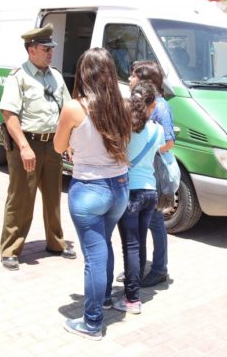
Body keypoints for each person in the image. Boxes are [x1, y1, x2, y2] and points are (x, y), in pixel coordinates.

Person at [54, 47, 131, 340]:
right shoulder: (122, 105)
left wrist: (75, 144)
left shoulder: (75, 108)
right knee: (104, 246)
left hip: (89, 189)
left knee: (95, 257)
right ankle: (106, 299)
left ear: (84, 73)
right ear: (110, 73)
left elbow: (59, 147)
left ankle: (92, 322)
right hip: (119, 187)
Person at [0, 24, 74, 271]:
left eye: (51, 48)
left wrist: (68, 141)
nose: (51, 52)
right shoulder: (18, 76)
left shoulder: (56, 76)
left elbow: (67, 110)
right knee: (21, 198)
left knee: (53, 196)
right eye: (45, 48)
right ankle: (10, 249)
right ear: (31, 50)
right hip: (27, 144)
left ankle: (55, 242)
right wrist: (23, 146)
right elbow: (9, 113)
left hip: (52, 144)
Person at [114, 82, 164, 315]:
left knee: (130, 246)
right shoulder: (158, 130)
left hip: (130, 191)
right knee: (140, 244)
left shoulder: (124, 128)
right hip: (150, 192)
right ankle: (135, 290)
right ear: (152, 105)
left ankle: (132, 298)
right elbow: (162, 150)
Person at [128, 60, 175, 288]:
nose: (129, 79)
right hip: (145, 171)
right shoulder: (141, 104)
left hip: (151, 172)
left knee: (155, 223)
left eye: (133, 75)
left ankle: (159, 269)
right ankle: (136, 268)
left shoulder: (161, 107)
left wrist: (148, 148)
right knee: (148, 224)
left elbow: (169, 142)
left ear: (144, 80)